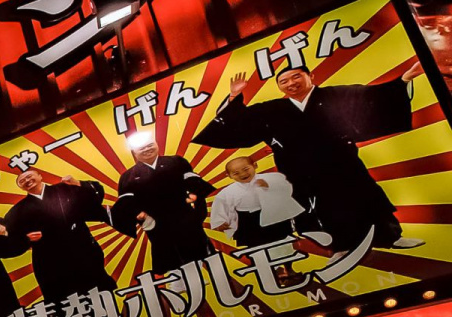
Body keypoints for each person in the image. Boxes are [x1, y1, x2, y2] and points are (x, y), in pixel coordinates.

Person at [194, 61, 426, 252]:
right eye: (283, 81)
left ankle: (390, 237)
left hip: (342, 163)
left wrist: (404, 79)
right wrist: (234, 97)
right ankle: (342, 246)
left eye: (296, 77)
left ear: (310, 76)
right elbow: (237, 122)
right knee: (325, 208)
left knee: (366, 197)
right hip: (302, 171)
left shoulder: (336, 95)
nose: (290, 83)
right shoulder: (272, 110)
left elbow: (371, 97)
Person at [108, 133, 216, 275]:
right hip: (157, 223)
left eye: (150, 145)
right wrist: (140, 215)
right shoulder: (128, 176)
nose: (147, 149)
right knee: (168, 254)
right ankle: (178, 281)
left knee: (200, 247)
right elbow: (127, 203)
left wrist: (195, 196)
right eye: (142, 148)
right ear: (134, 152)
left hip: (184, 215)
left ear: (157, 144)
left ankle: (216, 275)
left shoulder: (176, 161)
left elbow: (193, 181)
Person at [1, 169, 113, 302]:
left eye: (29, 176)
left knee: (99, 292)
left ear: (40, 176)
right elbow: (12, 237)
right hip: (50, 262)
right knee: (64, 302)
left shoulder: (64, 189)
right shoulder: (17, 211)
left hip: (82, 251)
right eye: (22, 181)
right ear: (20, 186)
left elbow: (95, 196)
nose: (26, 181)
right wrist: (26, 239)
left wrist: (77, 183)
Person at [207, 155, 304, 246]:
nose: (243, 174)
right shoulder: (226, 193)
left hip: (274, 216)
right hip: (248, 221)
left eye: (246, 169)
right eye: (236, 173)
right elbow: (221, 205)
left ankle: (287, 263)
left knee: (283, 241)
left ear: (255, 165)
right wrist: (220, 222)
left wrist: (268, 185)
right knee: (255, 246)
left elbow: (286, 188)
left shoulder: (272, 177)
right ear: (228, 175)